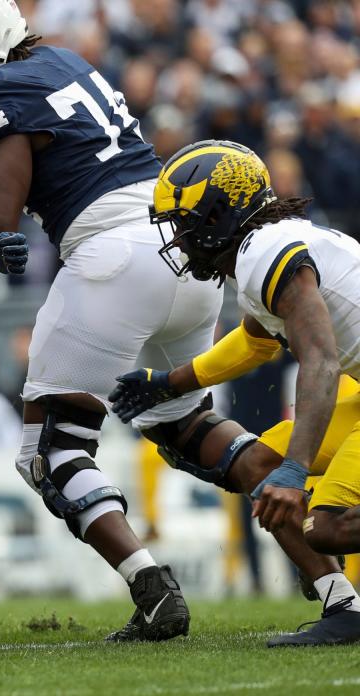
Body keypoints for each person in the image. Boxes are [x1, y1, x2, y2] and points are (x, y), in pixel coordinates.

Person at [0, 0, 222, 641]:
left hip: (111, 263)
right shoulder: (64, 62)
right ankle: (332, 576)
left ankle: (151, 589)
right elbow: (40, 163)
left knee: (51, 452)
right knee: (193, 430)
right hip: (183, 253)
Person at [108, 138, 360, 646]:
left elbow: (321, 361)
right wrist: (169, 383)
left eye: (183, 222)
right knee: (260, 466)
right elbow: (256, 342)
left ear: (218, 212)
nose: (178, 239)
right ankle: (346, 609)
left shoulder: (265, 252)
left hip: (345, 382)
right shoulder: (263, 249)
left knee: (327, 527)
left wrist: (297, 472)